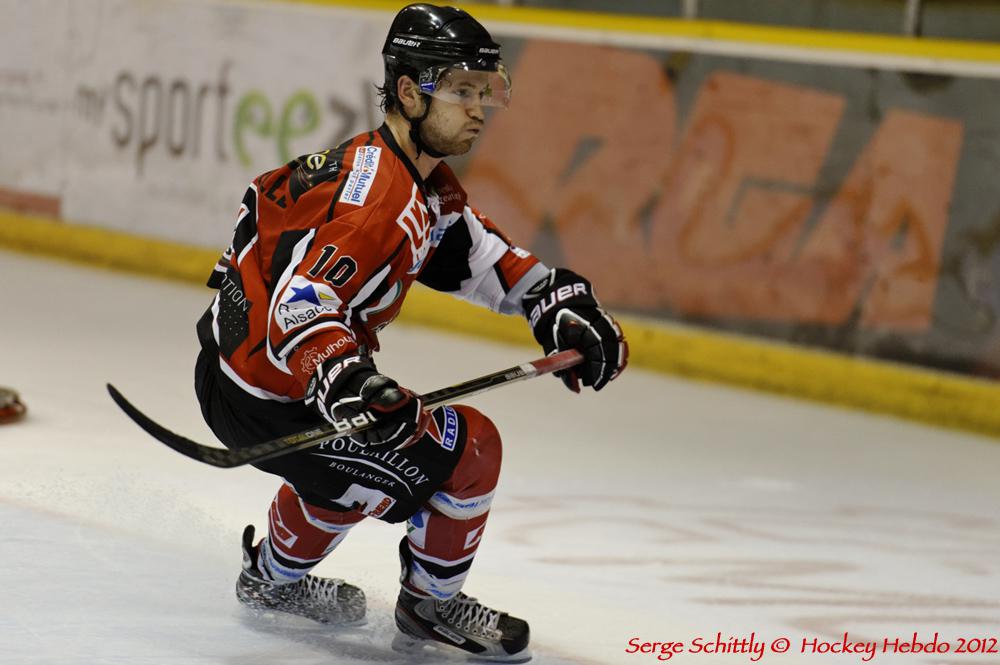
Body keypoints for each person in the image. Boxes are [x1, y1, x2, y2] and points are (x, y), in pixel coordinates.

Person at [193, 3, 627, 662]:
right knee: (471, 448)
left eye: (485, 92)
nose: (478, 109)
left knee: (349, 479)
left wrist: (558, 304)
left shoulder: (415, 182)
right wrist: (348, 381)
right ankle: (429, 606)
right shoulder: (380, 200)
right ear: (408, 92)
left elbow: (482, 260)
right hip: (275, 398)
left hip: (248, 381)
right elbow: (300, 302)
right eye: (461, 91)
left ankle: (270, 580)